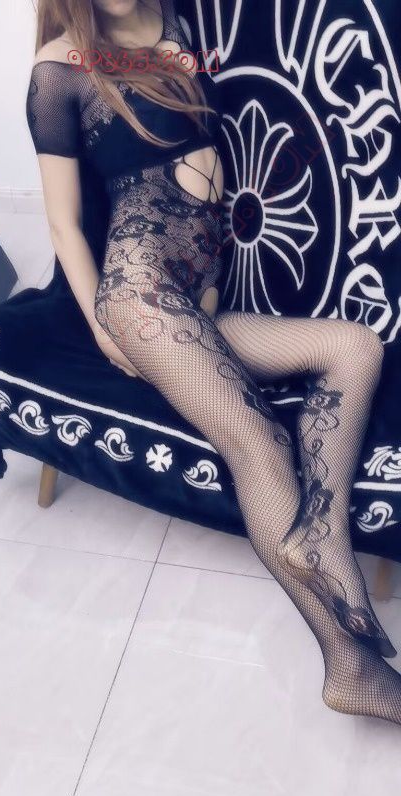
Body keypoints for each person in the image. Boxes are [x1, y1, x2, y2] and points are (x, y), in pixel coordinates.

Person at [27, 0, 401, 725]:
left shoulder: (176, 24)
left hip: (200, 299)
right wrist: (102, 325)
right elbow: (63, 223)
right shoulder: (58, 71)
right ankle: (350, 667)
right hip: (139, 297)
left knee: (355, 348)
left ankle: (319, 536)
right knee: (257, 442)